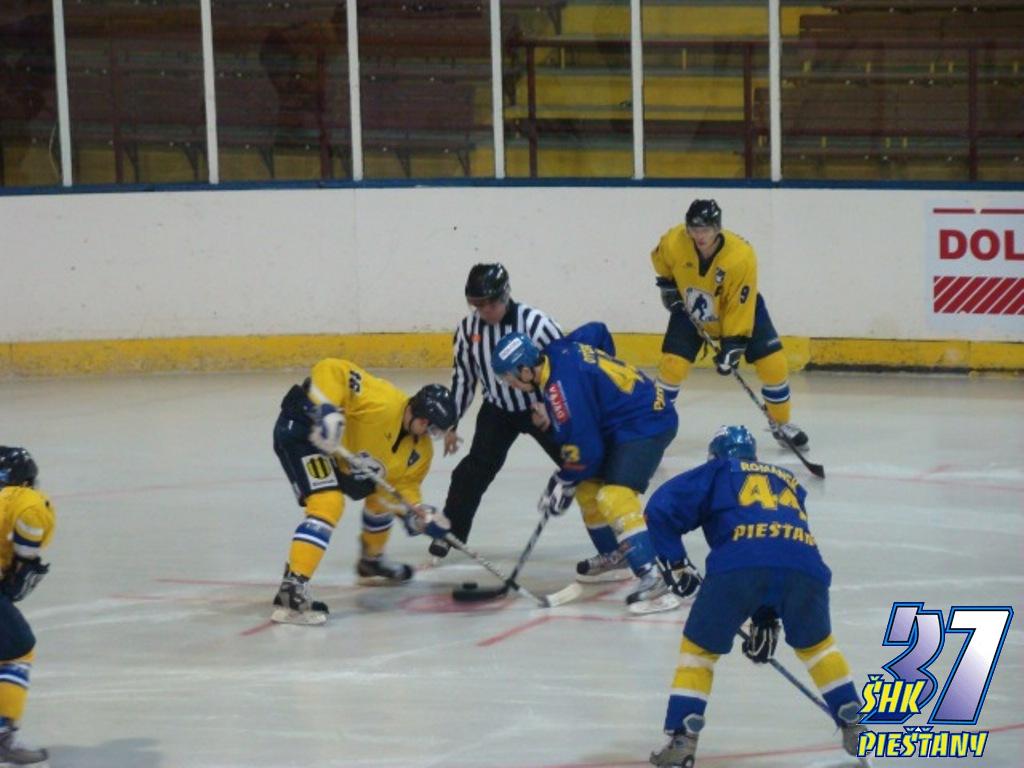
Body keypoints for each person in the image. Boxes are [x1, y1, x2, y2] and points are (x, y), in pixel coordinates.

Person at [644, 426, 864, 767]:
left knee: (699, 653)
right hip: (805, 566)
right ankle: (852, 717)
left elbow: (659, 509)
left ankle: (683, 737)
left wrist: (676, 564)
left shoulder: (719, 470)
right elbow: (774, 540)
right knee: (819, 647)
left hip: (738, 565)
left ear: (715, 455)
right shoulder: (785, 479)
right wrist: (766, 616)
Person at [435, 265, 630, 581]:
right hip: (498, 409)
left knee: (585, 468)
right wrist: (451, 420)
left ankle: (619, 537)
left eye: (489, 303)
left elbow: (567, 366)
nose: (484, 311)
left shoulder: (537, 324)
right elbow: (464, 377)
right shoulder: (468, 330)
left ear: (504, 296)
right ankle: (451, 533)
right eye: (477, 305)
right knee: (472, 471)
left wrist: (551, 408)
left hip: (545, 409)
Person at [491, 330, 680, 614]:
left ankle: (655, 577)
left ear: (526, 370)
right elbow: (598, 331)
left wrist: (562, 480)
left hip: (648, 421)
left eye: (510, 378)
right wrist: (600, 389)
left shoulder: (560, 391)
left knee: (614, 495)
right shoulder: (558, 349)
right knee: (587, 488)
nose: (511, 385)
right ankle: (616, 555)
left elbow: (588, 452)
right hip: (625, 420)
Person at [271, 359, 456, 625]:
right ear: (420, 415)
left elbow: (400, 489)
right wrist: (328, 411)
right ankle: (293, 587)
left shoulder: (421, 451)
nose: (429, 434)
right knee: (328, 503)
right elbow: (331, 369)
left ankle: (371, 560)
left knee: (380, 496)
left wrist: (418, 514)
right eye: (430, 426)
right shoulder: (381, 400)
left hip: (340, 457)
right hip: (305, 432)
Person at [651, 199, 809, 449]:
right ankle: (651, 424)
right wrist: (667, 285)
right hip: (692, 306)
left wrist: (733, 345)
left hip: (739, 311)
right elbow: (661, 260)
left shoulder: (740, 257)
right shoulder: (675, 241)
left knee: (774, 365)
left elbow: (740, 305)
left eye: (705, 230)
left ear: (717, 228)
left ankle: (781, 424)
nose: (699, 236)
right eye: (694, 229)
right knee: (672, 366)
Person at [0, 447, 54, 768]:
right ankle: (3, 737)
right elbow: (27, 536)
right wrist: (22, 563)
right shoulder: (24, 499)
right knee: (18, 649)